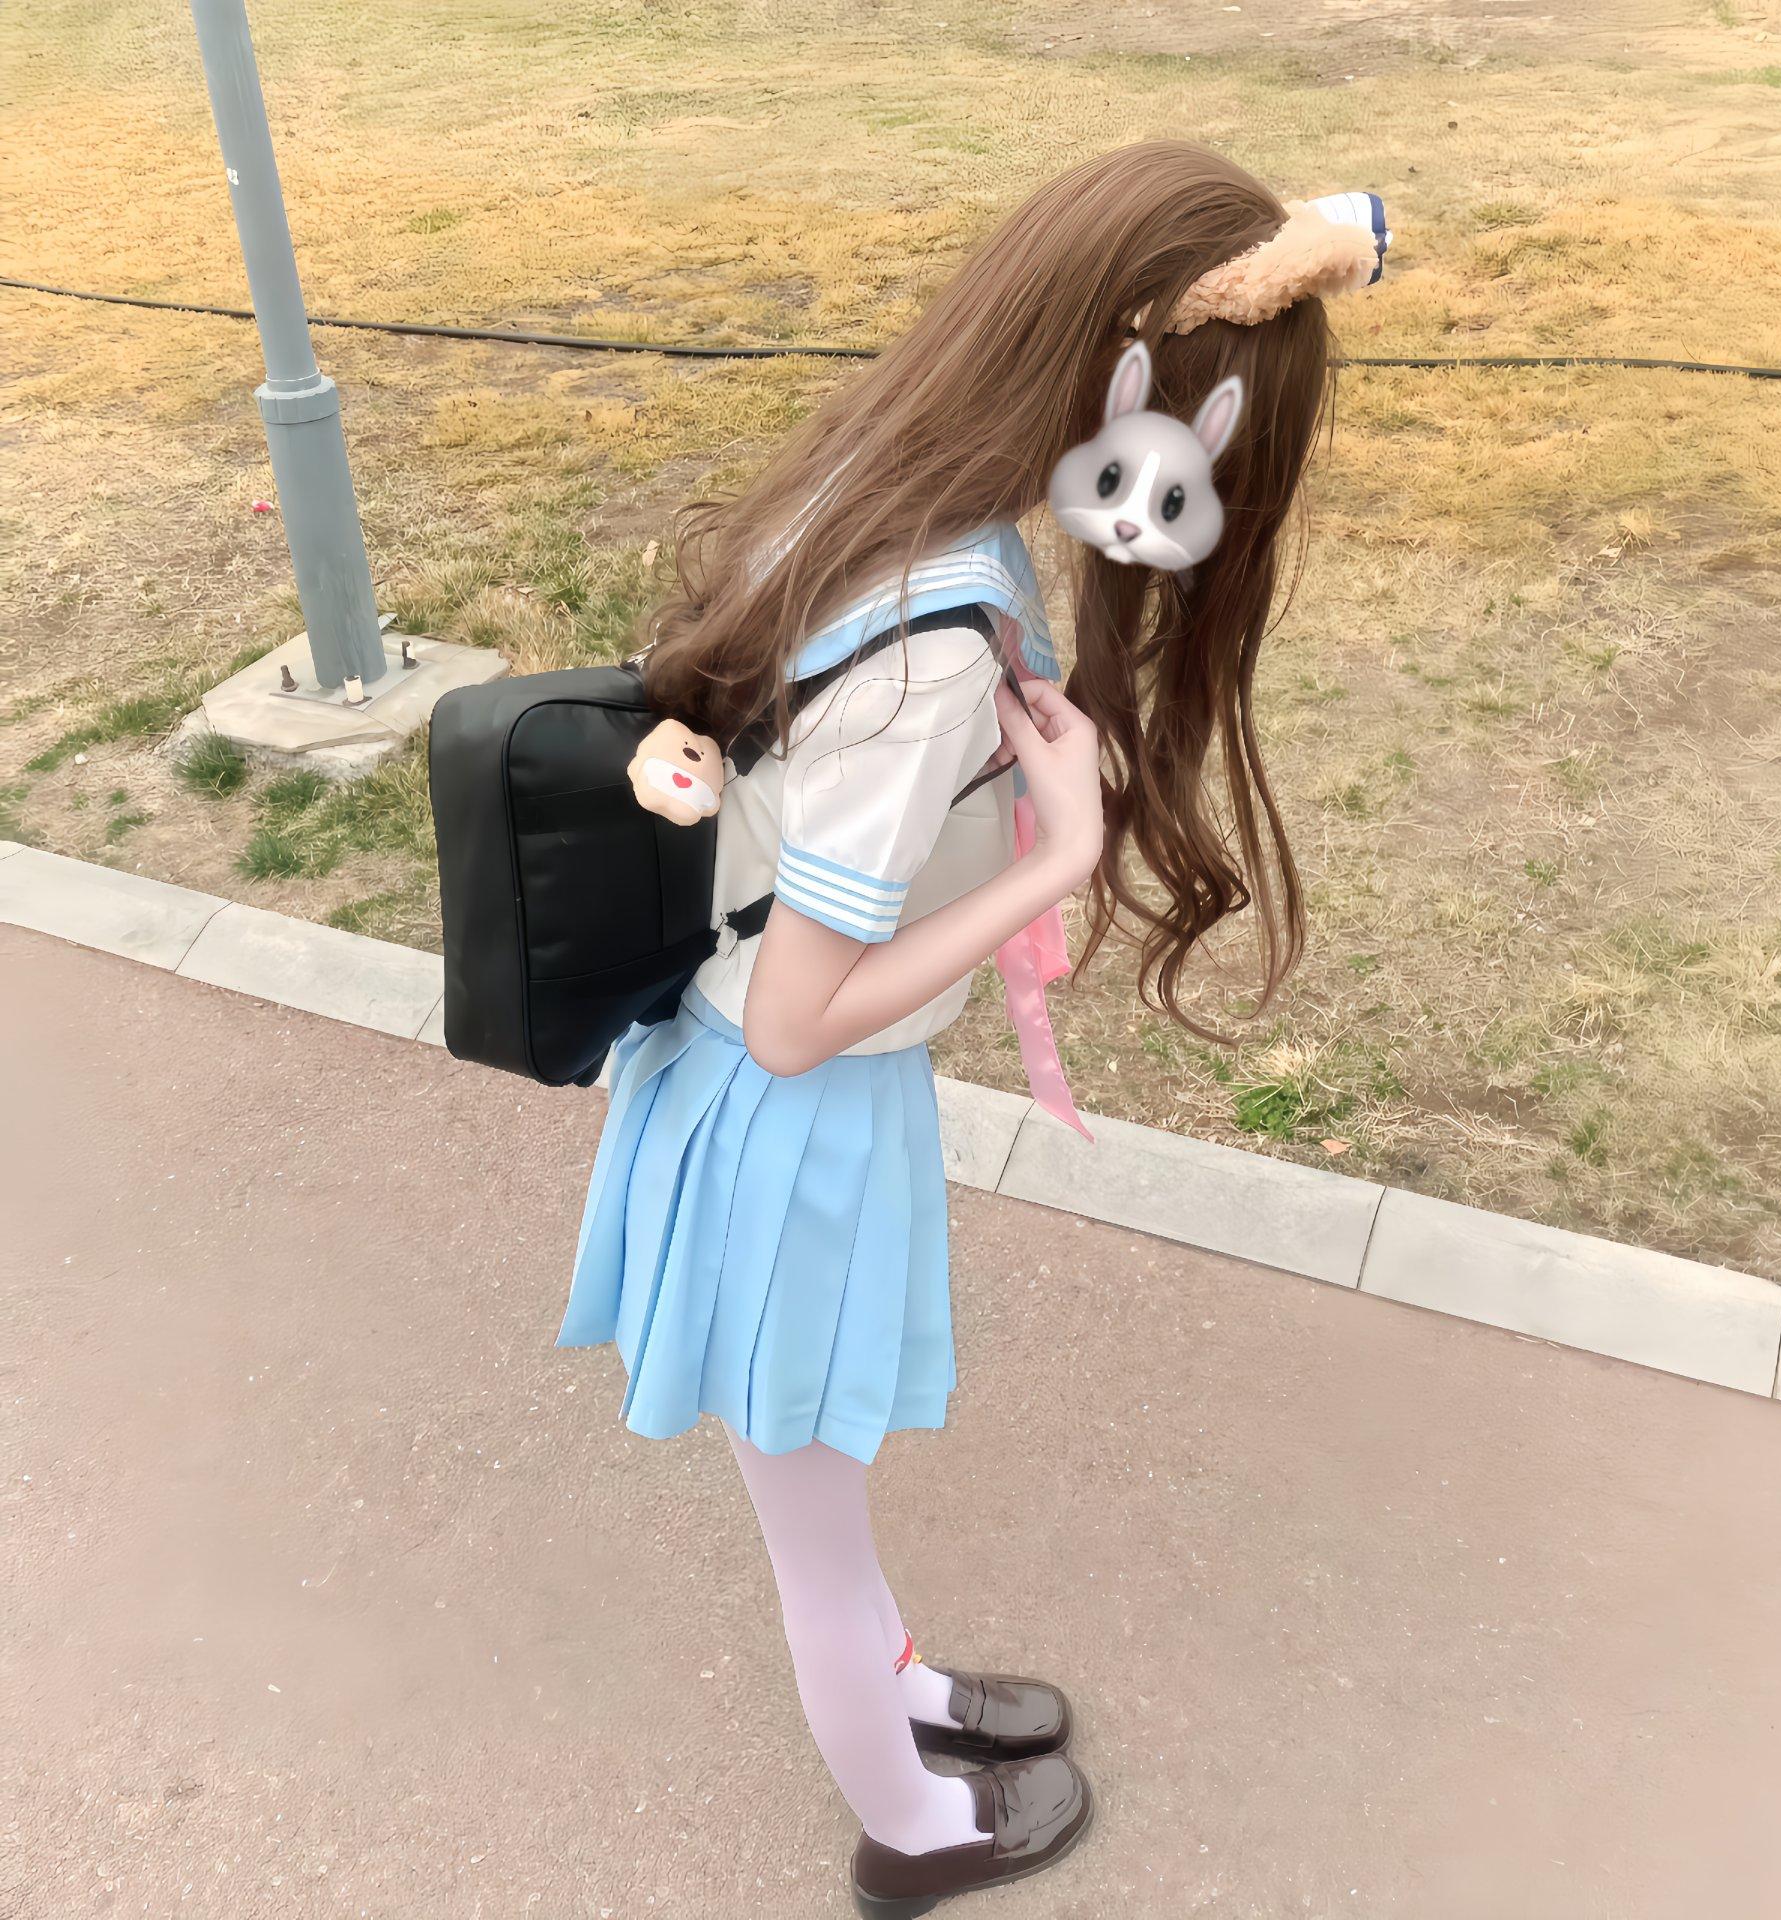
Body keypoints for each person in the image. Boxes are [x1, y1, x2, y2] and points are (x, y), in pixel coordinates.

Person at [557, 139, 1389, 1916]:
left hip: (748, 1087)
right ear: (1128, 399)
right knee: (813, 1529)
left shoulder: (883, 487)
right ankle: (910, 1832)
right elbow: (802, 1019)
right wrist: (1062, 856)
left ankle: (909, 1691)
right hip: (788, 1117)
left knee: (823, 1496)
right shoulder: (931, 645)